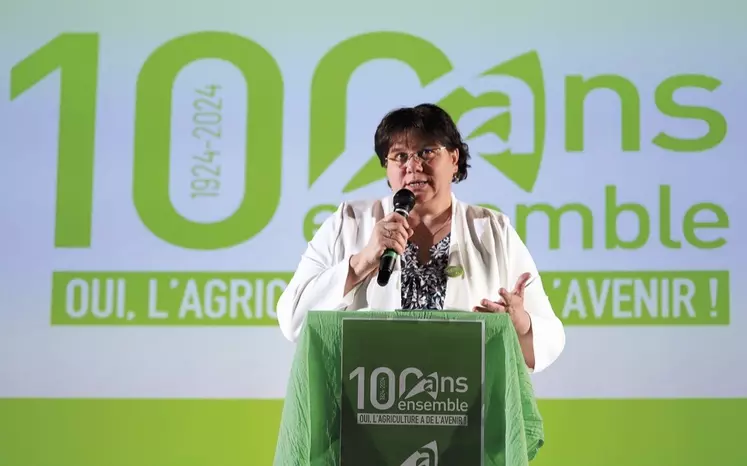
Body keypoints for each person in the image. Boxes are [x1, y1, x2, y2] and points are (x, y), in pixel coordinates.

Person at [276, 103, 565, 373]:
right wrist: (361, 263)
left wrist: (521, 324)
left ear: (454, 159)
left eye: (427, 152)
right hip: (366, 405)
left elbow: (551, 338)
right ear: (387, 169)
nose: (413, 166)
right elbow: (293, 321)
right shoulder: (349, 221)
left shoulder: (493, 230)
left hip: (464, 408)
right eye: (400, 156)